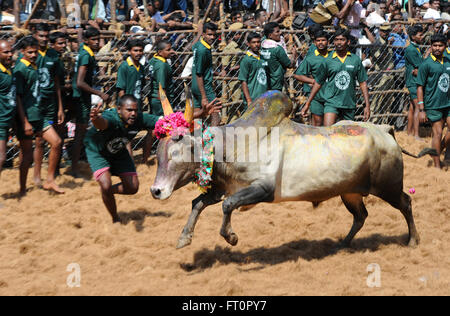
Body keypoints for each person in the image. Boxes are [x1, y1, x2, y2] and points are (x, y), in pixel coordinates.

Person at [84, 95, 160, 223]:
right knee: (106, 184)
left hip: (118, 151)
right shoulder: (112, 117)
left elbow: (166, 120)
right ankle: (115, 218)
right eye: (129, 110)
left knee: (133, 187)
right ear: (119, 109)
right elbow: (102, 123)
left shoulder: (139, 118)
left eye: (135, 110)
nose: (133, 114)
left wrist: (198, 114)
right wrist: (96, 119)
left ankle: (107, 192)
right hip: (97, 152)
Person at [301, 28, 370, 126]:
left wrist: (367, 105)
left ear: (348, 42)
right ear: (333, 42)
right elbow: (318, 82)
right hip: (331, 102)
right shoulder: (328, 60)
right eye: (337, 39)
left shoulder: (355, 60)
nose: (339, 42)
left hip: (348, 103)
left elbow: (363, 82)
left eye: (342, 40)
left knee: (346, 135)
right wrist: (308, 103)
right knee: (328, 132)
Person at [31, 23, 65, 193]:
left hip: (51, 104)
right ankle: (36, 175)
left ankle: (51, 175)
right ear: (34, 35)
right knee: (38, 141)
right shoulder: (31, 54)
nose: (44, 39)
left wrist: (60, 107)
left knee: (53, 139)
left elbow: (57, 82)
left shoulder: (53, 55)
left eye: (46, 36)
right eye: (41, 35)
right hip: (36, 104)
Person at [72, 27, 109, 178]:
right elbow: (80, 82)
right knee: (80, 133)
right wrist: (99, 93)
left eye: (97, 39)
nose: (96, 42)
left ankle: (78, 163)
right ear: (87, 40)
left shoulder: (84, 49)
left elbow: (80, 40)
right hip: (81, 96)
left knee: (81, 132)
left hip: (82, 95)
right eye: (93, 40)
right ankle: (74, 167)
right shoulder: (86, 55)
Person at [417, 34, 450, 169]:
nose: (437, 48)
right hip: (433, 104)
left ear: (445, 46)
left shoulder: (448, 61)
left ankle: (438, 148)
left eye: (440, 45)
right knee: (438, 133)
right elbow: (420, 87)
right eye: (434, 45)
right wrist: (421, 109)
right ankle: (437, 166)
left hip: (448, 103)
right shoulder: (426, 64)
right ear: (431, 47)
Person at [294, 30, 329, 126]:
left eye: (323, 40)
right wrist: (313, 81)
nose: (321, 43)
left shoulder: (333, 56)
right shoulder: (311, 58)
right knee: (317, 123)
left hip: (332, 97)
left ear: (328, 42)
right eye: (318, 40)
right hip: (317, 96)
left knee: (330, 124)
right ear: (314, 42)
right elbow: (297, 75)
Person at [191, 22, 220, 125]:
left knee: (197, 118)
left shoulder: (199, 45)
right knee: (216, 116)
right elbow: (199, 74)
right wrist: (204, 96)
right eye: (209, 34)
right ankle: (210, 140)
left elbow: (192, 46)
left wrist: (199, 33)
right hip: (204, 87)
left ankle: (198, 140)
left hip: (194, 86)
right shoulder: (203, 50)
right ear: (204, 34)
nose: (212, 37)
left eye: (213, 34)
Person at [261, 22, 297, 92]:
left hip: (264, 81)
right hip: (276, 83)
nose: (280, 33)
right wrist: (294, 55)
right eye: (277, 32)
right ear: (270, 35)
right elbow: (290, 65)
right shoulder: (277, 49)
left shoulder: (262, 45)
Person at [238, 32, 268, 110]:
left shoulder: (262, 57)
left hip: (264, 97)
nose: (256, 44)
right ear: (248, 44)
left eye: (258, 42)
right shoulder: (247, 60)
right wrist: (249, 100)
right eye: (253, 42)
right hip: (253, 98)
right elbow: (243, 81)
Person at [405, 25, 425, 140]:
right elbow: (420, 68)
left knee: (412, 107)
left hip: (413, 81)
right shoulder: (411, 50)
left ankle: (409, 133)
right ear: (413, 36)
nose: (422, 37)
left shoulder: (415, 48)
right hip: (413, 82)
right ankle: (416, 135)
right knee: (418, 106)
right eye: (420, 35)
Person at [0, 40, 14, 178]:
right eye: (6, 52)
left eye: (11, 51)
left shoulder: (8, 70)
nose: (10, 55)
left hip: (7, 119)